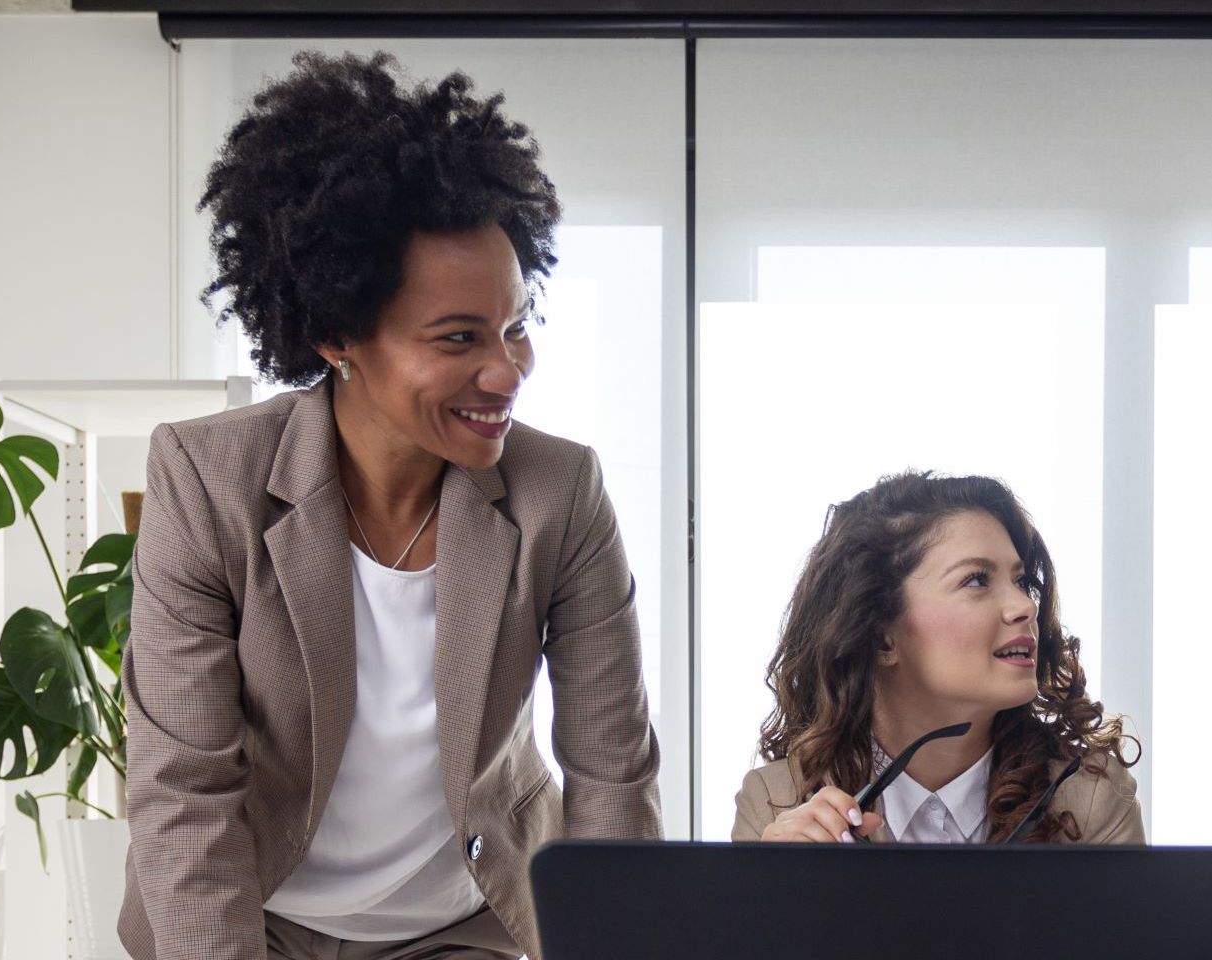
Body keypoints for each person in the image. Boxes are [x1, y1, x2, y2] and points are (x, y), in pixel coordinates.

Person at [119, 51, 659, 960]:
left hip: (465, 925)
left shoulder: (560, 492)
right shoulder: (209, 480)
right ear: (338, 336)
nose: (507, 371)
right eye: (458, 339)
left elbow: (612, 774)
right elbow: (184, 794)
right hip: (258, 918)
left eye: (516, 326)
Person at [735, 472, 1141, 845]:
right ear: (882, 639)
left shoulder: (1092, 800)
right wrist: (781, 883)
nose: (1025, 606)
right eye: (977, 580)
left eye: (1020, 581)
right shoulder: (776, 804)